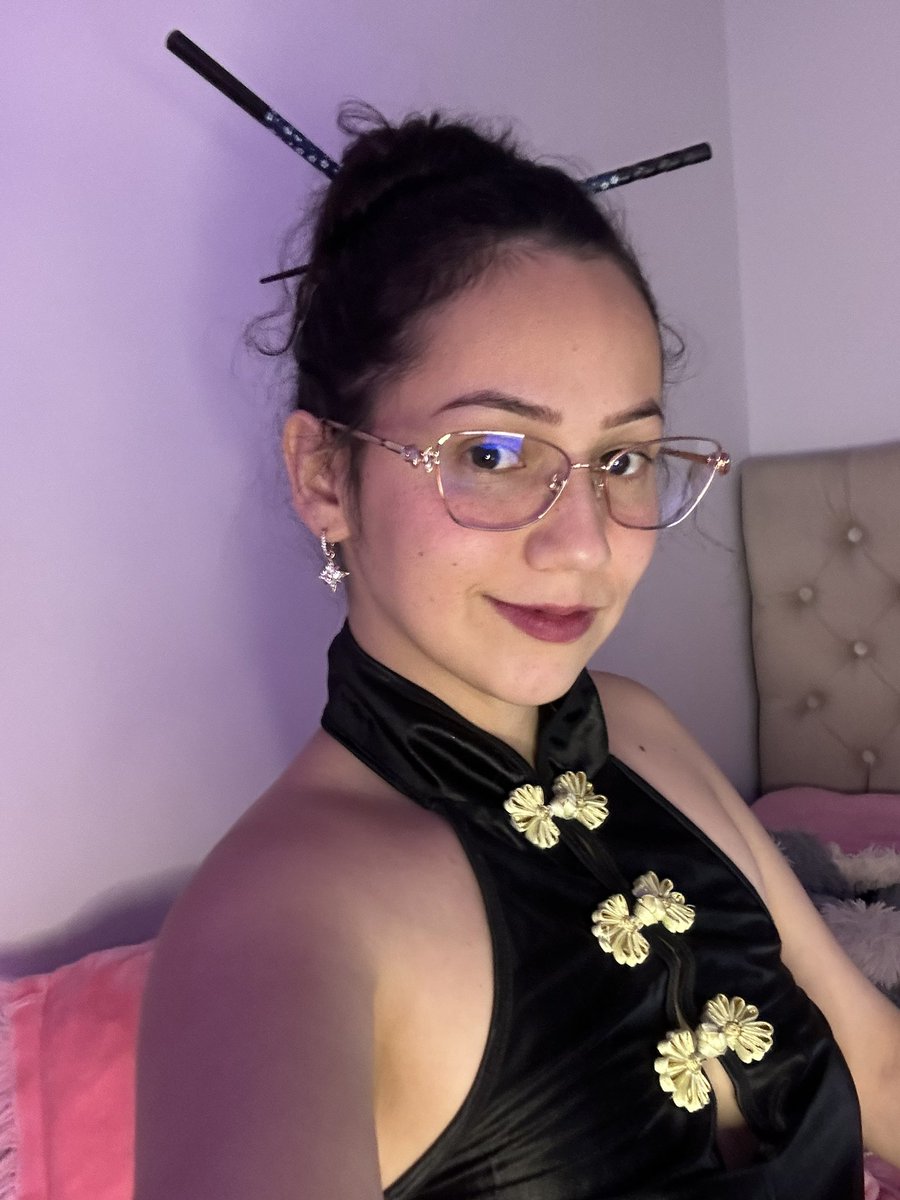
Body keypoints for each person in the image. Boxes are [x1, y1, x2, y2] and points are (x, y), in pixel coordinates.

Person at [134, 108, 900, 1200]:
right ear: (323, 476)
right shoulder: (278, 927)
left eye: (623, 459)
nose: (584, 544)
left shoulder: (636, 726)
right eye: (493, 452)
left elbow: (877, 1064)